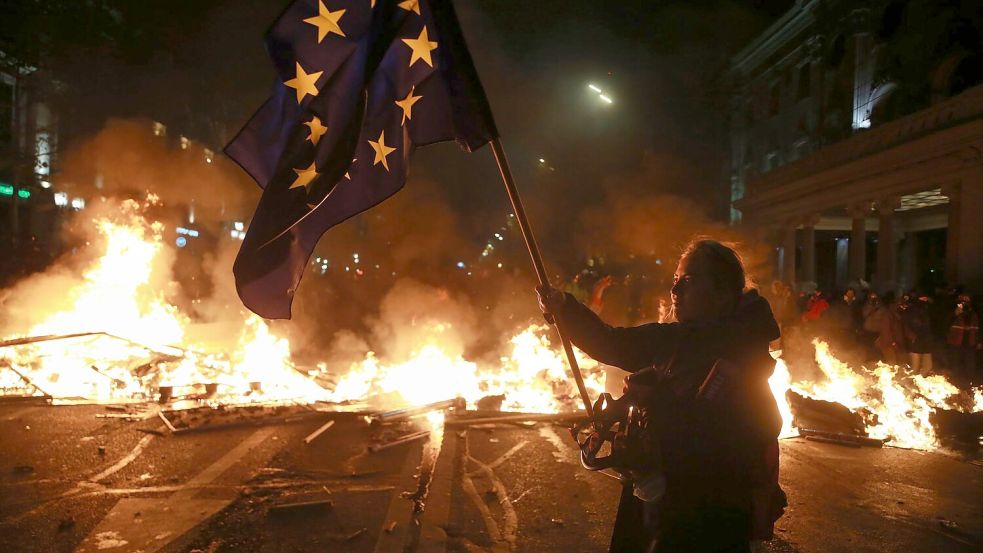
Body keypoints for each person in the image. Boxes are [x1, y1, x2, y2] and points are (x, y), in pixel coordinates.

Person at [537, 239, 785, 553]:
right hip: (660, 502)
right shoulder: (674, 337)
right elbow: (610, 342)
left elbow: (758, 427)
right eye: (675, 281)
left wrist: (658, 403)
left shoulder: (742, 353)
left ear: (722, 293)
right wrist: (563, 308)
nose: (676, 291)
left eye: (689, 282)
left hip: (707, 513)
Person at [946, 294, 980, 380]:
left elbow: (978, 328)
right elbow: (946, 323)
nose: (964, 304)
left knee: (970, 363)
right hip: (956, 342)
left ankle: (970, 380)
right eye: (961, 302)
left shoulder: (974, 313)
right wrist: (955, 314)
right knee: (955, 362)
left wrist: (979, 341)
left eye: (966, 302)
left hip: (970, 342)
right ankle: (955, 379)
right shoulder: (954, 312)